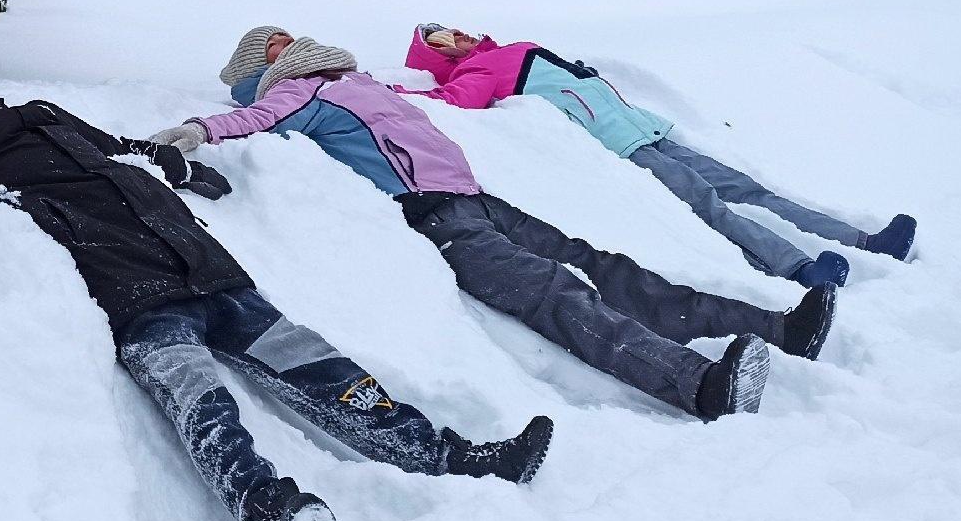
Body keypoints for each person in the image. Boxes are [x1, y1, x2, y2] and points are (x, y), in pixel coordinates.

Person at [0, 63, 551, 521]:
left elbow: (124, 152)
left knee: (326, 370)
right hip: (132, 294)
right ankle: (267, 509)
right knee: (200, 404)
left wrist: (174, 163)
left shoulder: (41, 113)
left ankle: (452, 457)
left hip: (209, 271)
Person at [150, 29, 839, 426]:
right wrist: (197, 130)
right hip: (437, 217)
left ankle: (782, 330)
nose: (288, 37)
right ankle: (700, 384)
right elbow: (254, 119)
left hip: (476, 198)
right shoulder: (301, 91)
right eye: (270, 42)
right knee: (556, 296)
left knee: (607, 269)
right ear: (268, 68)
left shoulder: (356, 83)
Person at [398, 24, 917, 286]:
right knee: (711, 207)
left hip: (647, 130)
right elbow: (451, 103)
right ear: (438, 56)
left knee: (750, 190)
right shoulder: (479, 71)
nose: (459, 36)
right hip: (619, 146)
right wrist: (395, 95)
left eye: (455, 28)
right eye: (444, 39)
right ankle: (802, 269)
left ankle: (867, 242)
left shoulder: (507, 50)